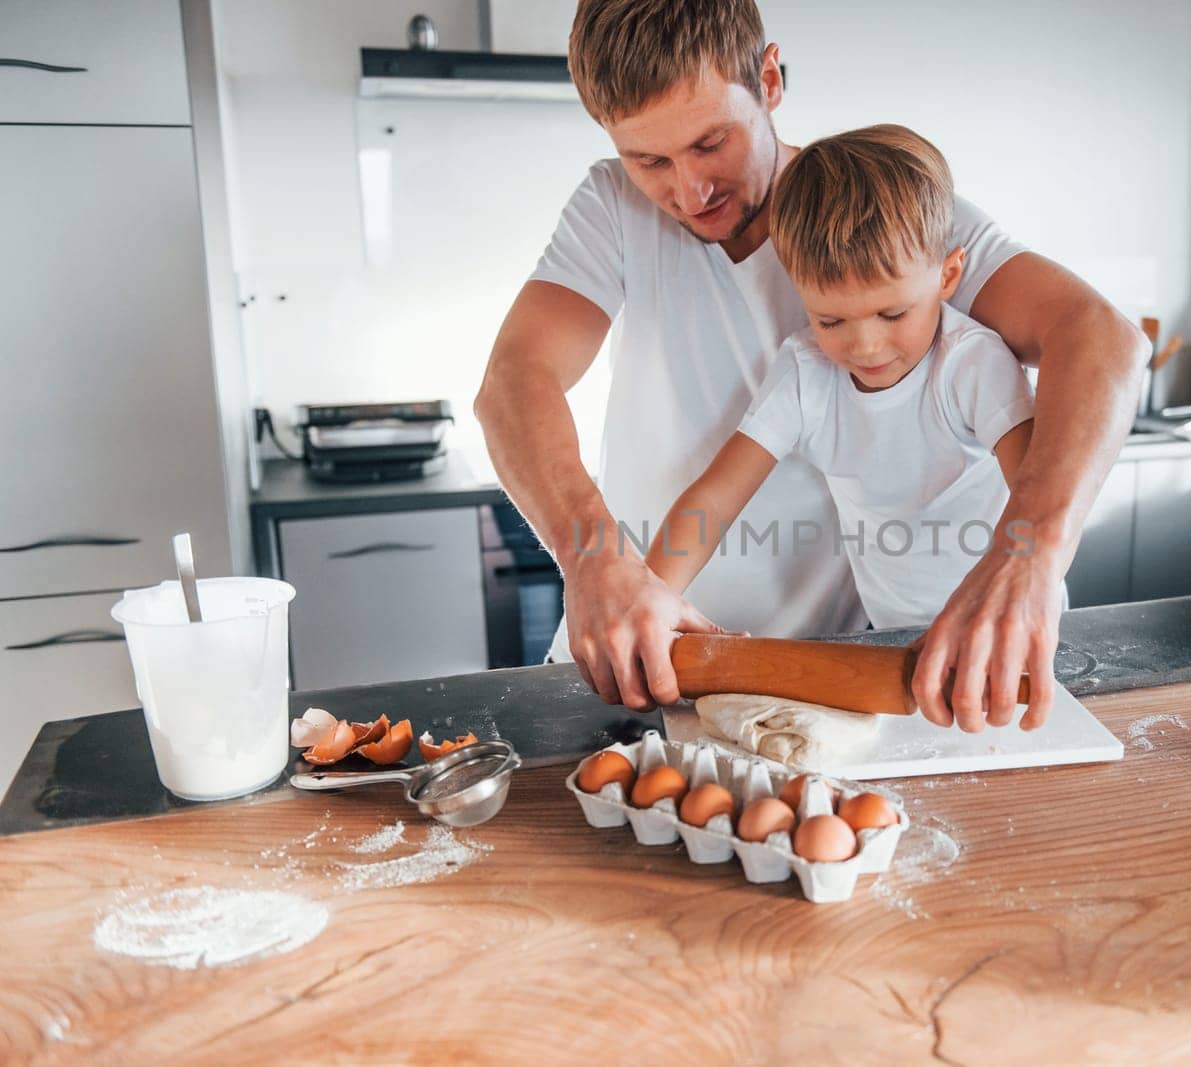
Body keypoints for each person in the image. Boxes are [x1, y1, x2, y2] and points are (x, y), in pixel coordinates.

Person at [474, 0, 1147, 734]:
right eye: (651, 161)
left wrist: (1033, 559)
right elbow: (514, 382)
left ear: (768, 79)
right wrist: (599, 564)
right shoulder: (611, 209)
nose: (690, 190)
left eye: (710, 142)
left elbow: (1102, 338)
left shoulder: (883, 210)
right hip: (642, 656)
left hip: (827, 679)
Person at [646, 125, 1064, 728]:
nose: (865, 345)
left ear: (947, 276)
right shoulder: (804, 372)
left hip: (1005, 634)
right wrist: (653, 595)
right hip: (887, 642)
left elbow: (1034, 486)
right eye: (831, 319)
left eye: (893, 312)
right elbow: (715, 497)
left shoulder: (971, 365)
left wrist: (1015, 601)